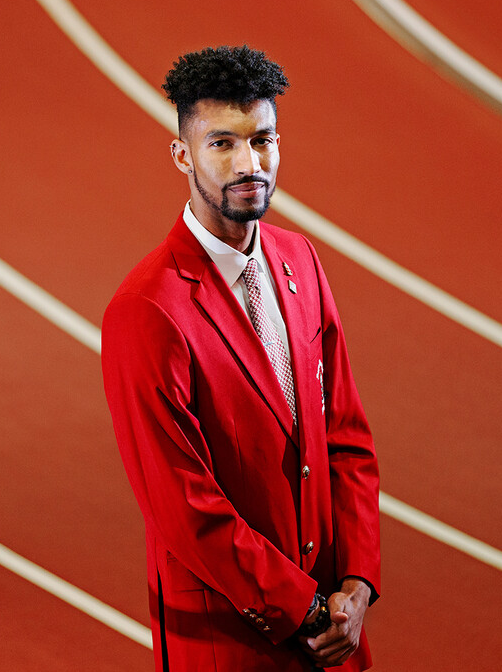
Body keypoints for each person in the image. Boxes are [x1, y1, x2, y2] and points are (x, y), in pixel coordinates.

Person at [101, 45, 380, 671]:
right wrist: (301, 607)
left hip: (335, 635)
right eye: (222, 144)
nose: (248, 163)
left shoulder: (300, 261)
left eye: (263, 141)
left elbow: (348, 440)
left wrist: (358, 586)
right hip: (231, 640)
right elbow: (182, 504)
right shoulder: (148, 309)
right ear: (182, 155)